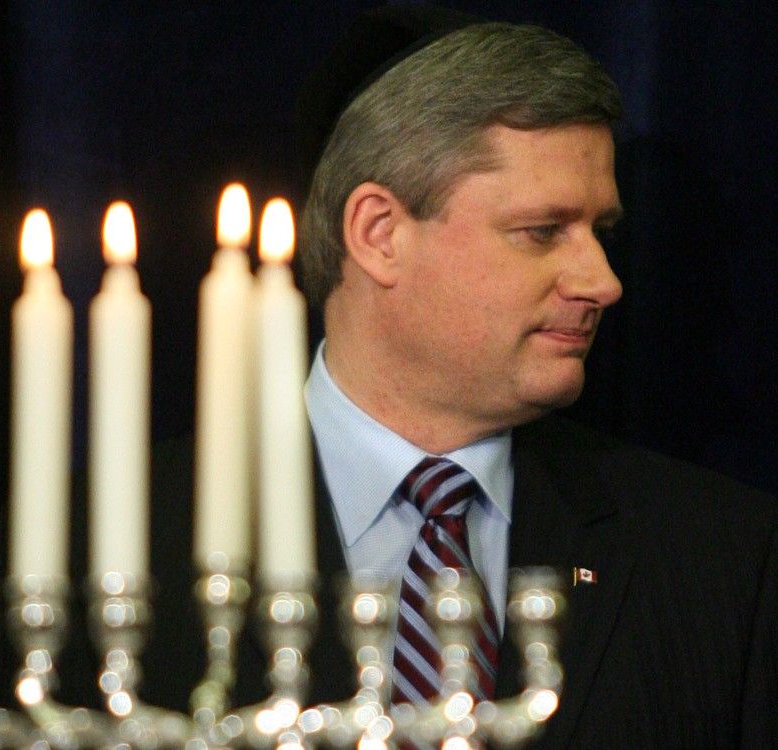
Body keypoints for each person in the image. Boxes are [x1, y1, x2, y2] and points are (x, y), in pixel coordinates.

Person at [286, 6, 777, 749]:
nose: (604, 282)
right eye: (543, 232)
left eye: (600, 234)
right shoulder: (107, 545)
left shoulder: (723, 558)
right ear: (380, 235)